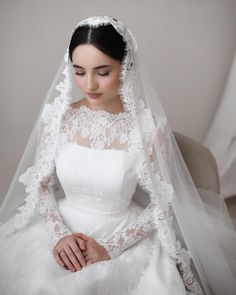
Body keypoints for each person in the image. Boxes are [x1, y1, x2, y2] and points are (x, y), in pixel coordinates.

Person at [0, 16, 236, 295]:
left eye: (102, 72)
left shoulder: (148, 130)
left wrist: (110, 247)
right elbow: (40, 185)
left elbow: (162, 204)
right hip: (59, 226)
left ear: (125, 68)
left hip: (120, 231)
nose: (89, 85)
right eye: (79, 71)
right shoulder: (57, 119)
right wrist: (60, 235)